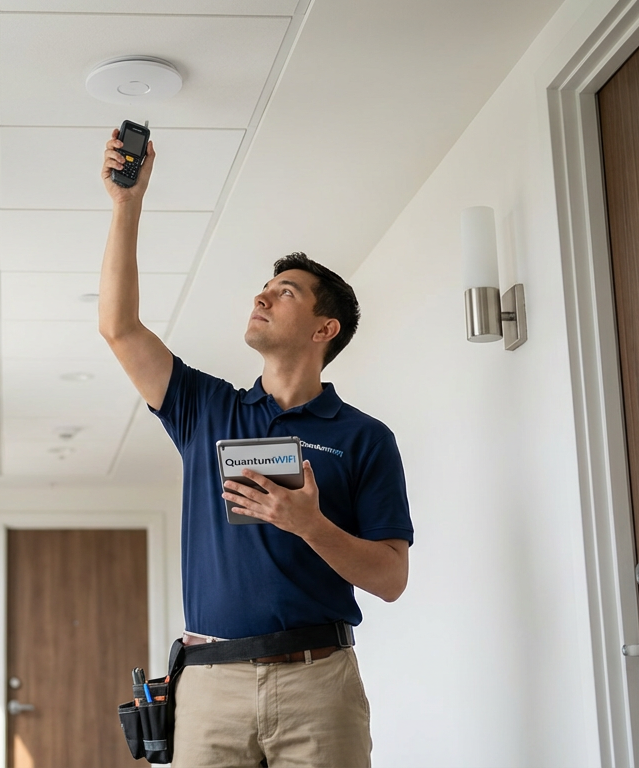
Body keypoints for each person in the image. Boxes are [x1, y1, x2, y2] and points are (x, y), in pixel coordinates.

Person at [98, 130, 413, 767]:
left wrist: (311, 525)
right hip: (210, 684)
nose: (262, 296)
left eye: (286, 292)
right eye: (265, 287)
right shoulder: (205, 408)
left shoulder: (365, 438)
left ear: (326, 330)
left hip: (318, 682)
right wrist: (125, 203)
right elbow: (119, 328)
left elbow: (391, 579)